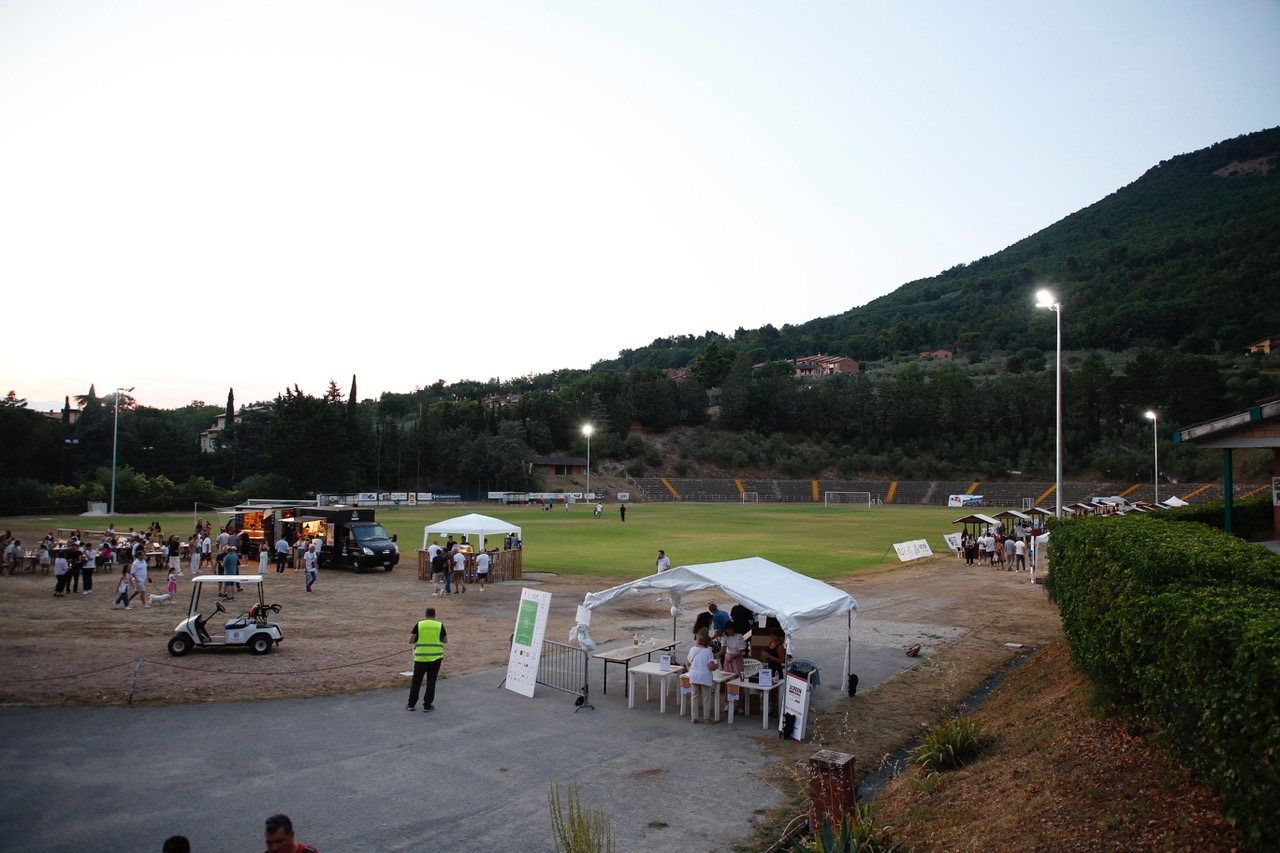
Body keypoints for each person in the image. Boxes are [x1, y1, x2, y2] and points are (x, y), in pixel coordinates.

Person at [406, 606, 447, 712]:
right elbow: (445, 640)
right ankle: (427, 705)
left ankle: (411, 704)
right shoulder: (439, 625)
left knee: (416, 681)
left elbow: (410, 640)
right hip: (435, 658)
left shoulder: (420, 624)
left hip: (421, 657)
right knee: (431, 682)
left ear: (425, 615)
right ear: (434, 615)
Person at [685, 633, 717, 724]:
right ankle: (706, 718)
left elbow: (688, 663)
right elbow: (711, 666)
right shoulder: (708, 651)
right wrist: (716, 665)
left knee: (694, 696)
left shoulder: (692, 650)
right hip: (704, 676)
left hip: (694, 675)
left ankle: (693, 717)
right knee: (706, 698)